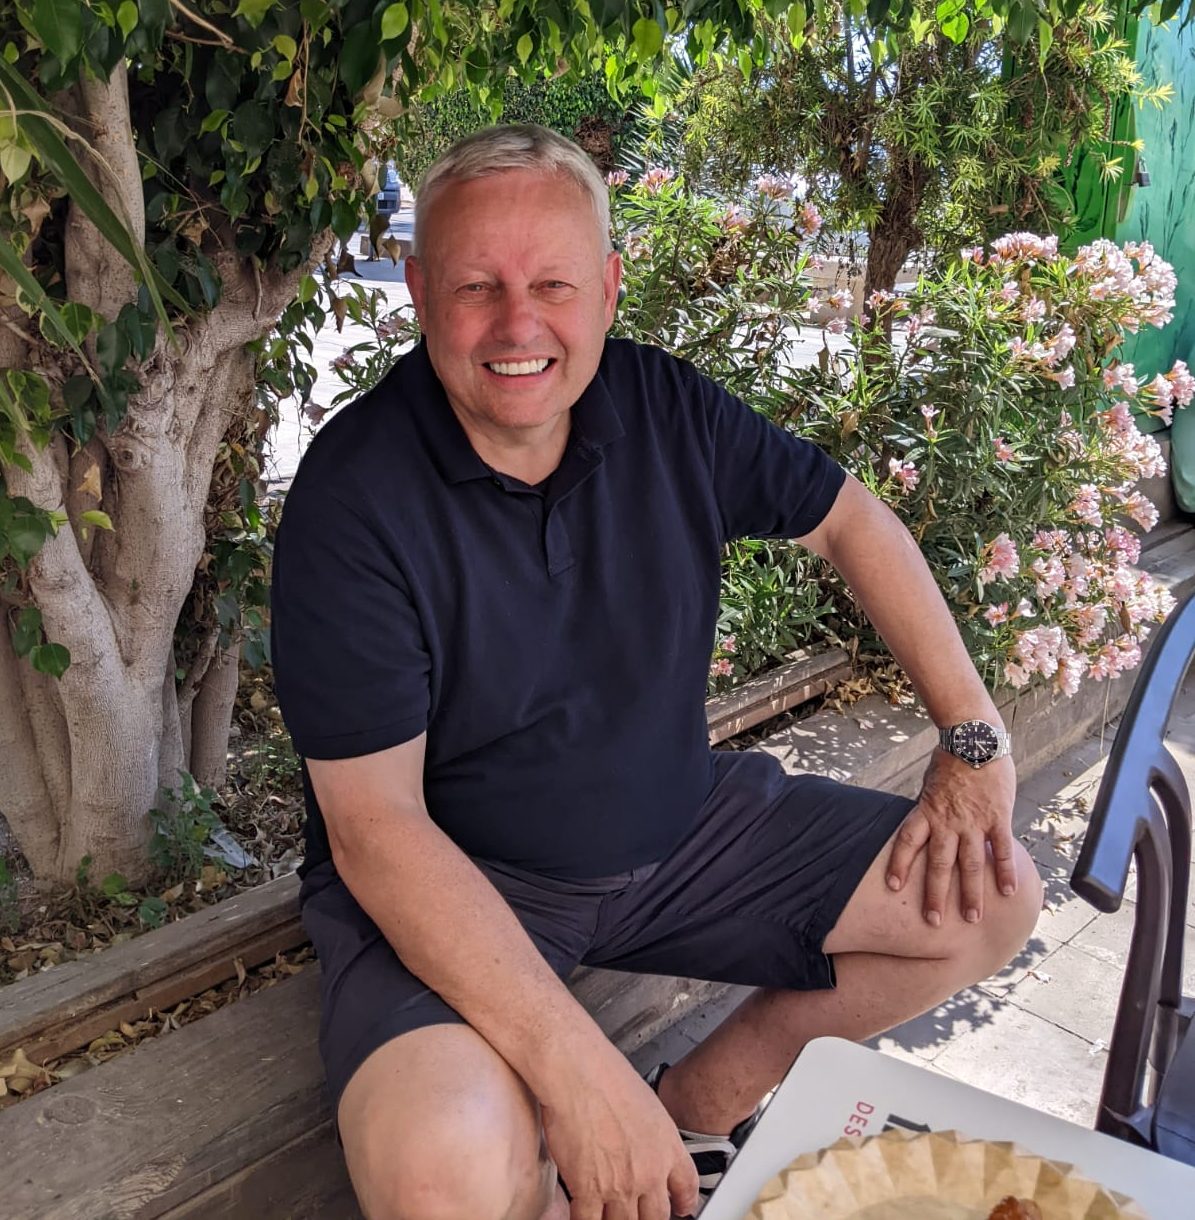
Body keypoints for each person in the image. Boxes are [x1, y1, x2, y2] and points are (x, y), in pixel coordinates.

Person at [270, 124, 1043, 1220]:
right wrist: (578, 1074)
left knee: (990, 897)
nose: (518, 324)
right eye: (477, 286)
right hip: (465, 878)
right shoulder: (354, 495)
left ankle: (698, 1109)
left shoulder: (664, 406)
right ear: (419, 290)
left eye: (553, 284)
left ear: (609, 287)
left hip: (681, 837)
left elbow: (850, 521)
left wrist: (972, 738)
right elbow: (375, 831)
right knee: (445, 1171)